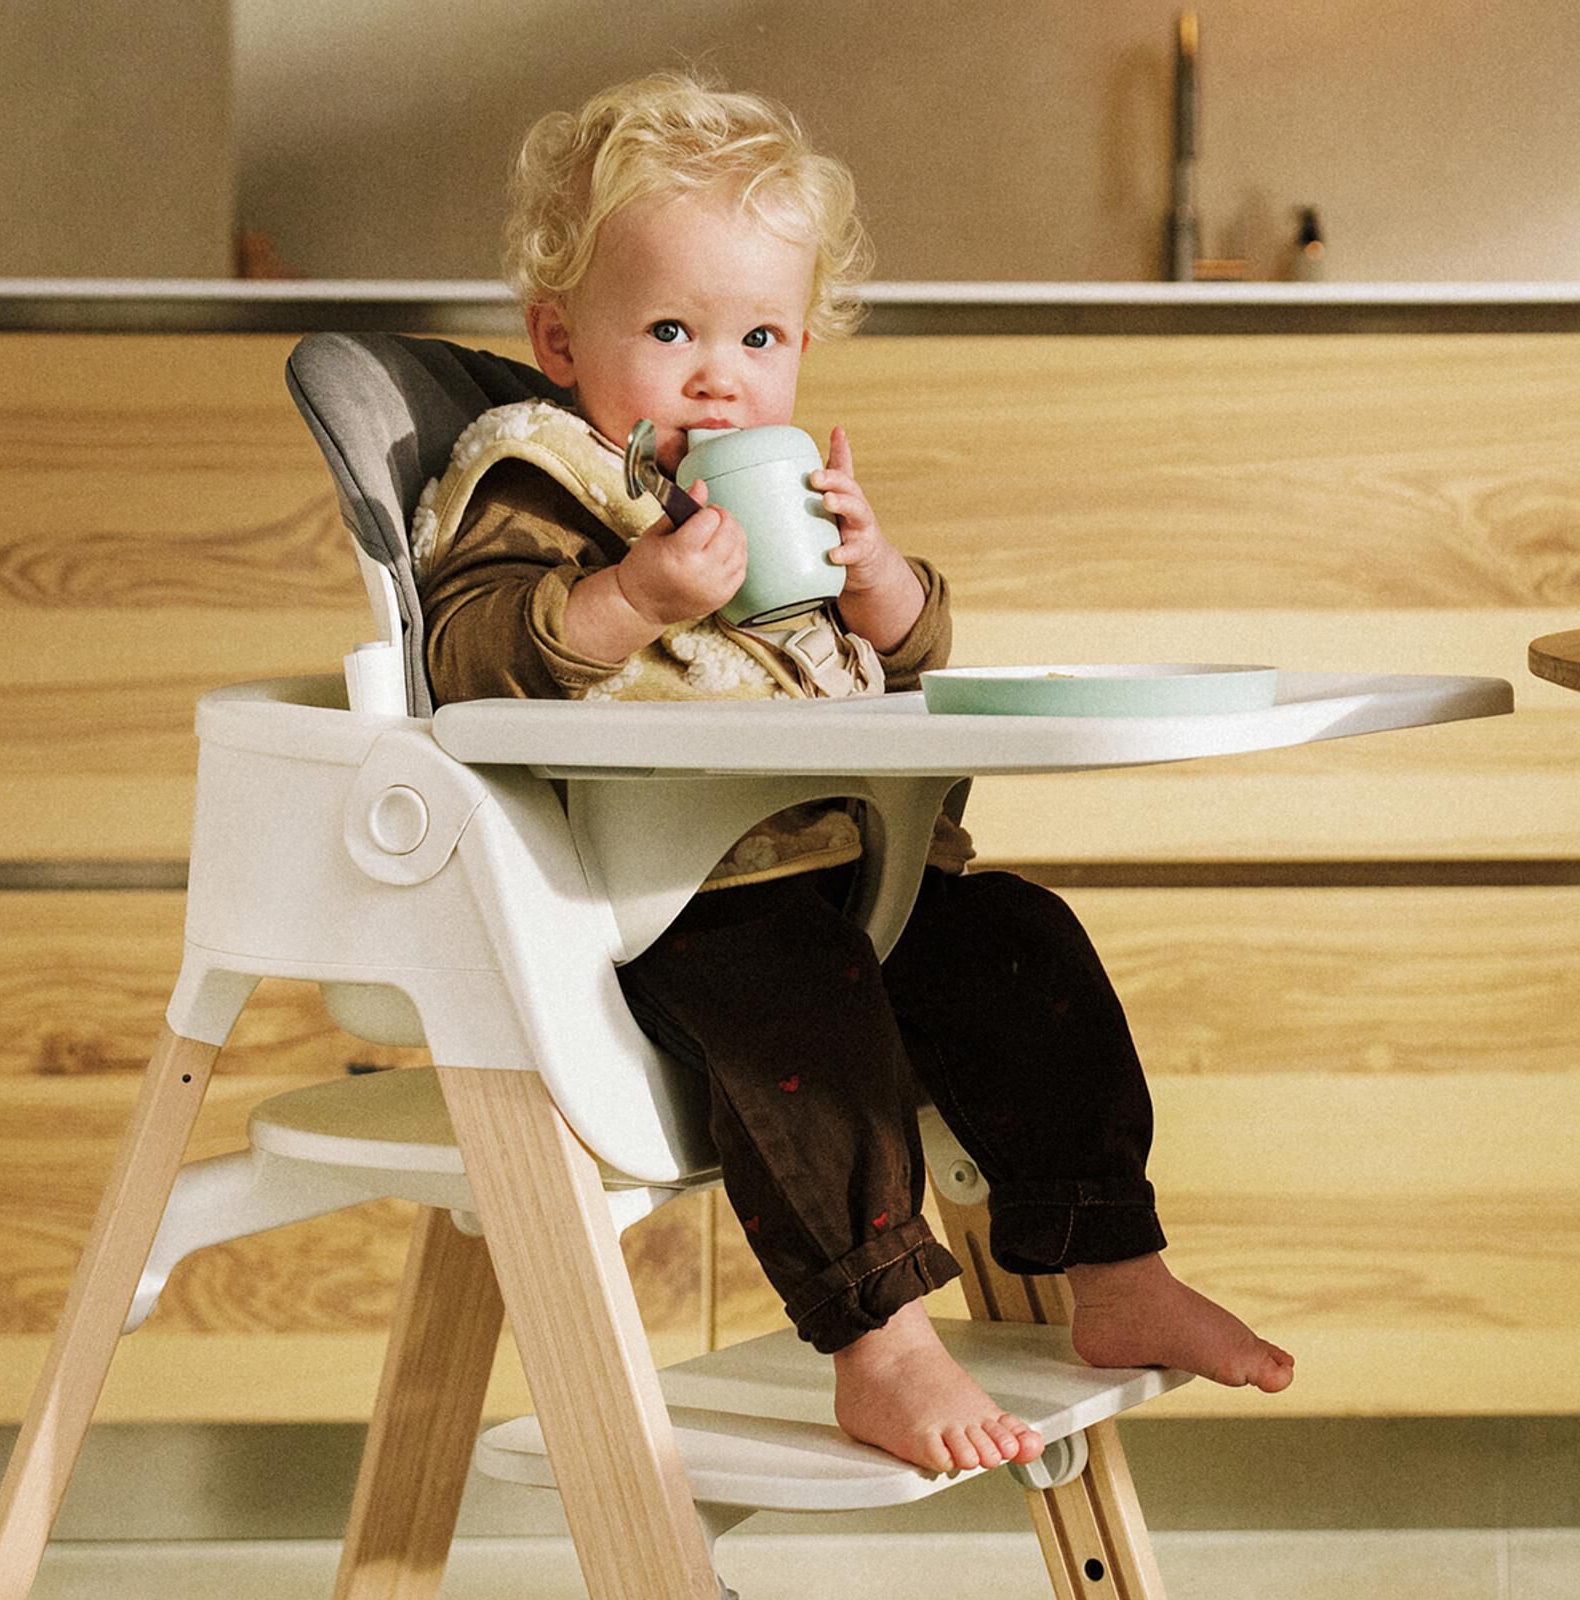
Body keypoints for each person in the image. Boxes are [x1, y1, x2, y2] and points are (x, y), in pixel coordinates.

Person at [417, 72, 1293, 1476]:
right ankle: (878, 1345)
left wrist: (875, 579)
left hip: (852, 882)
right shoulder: (547, 479)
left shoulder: (763, 497)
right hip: (662, 904)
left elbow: (903, 657)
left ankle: (1114, 1270)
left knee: (1021, 940)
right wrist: (633, 598)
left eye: (760, 334)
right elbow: (469, 659)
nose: (720, 373)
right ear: (558, 343)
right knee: (803, 1012)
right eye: (669, 329)